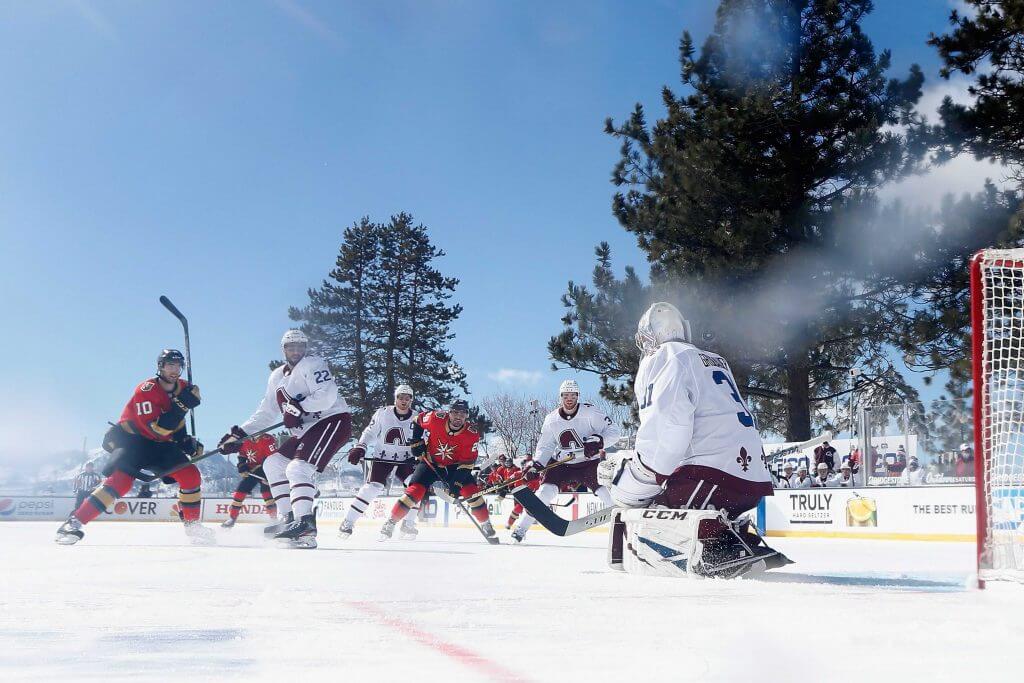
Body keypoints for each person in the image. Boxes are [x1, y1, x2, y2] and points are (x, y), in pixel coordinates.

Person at [607, 302, 788, 578]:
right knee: (690, 507)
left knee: (648, 522)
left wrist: (635, 481)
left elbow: (667, 429)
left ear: (651, 336)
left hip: (710, 476)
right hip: (751, 480)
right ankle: (732, 538)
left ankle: (714, 548)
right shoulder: (712, 360)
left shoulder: (666, 357)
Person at [55, 350, 213, 546]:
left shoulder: (184, 388)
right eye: (169, 365)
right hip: (135, 441)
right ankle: (73, 523)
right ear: (160, 367)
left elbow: (176, 424)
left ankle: (193, 527)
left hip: (162, 445)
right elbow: (157, 430)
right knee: (120, 483)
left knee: (191, 476)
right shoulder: (146, 390)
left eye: (178, 365)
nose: (174, 369)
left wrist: (186, 441)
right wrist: (182, 405)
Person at [218, 330, 352, 549]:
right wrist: (239, 435)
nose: (296, 350)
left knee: (297, 469)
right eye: (291, 347)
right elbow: (266, 413)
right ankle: (288, 518)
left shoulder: (313, 364)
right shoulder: (277, 377)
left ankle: (306, 526)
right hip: (306, 429)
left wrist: (300, 408)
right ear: (284, 350)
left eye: (300, 346)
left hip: (332, 420)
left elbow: (327, 396)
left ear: (306, 348)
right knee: (273, 463)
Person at [510, 379, 621, 543]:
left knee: (606, 494)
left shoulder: (590, 412)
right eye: (566, 395)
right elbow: (546, 446)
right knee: (543, 494)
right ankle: (520, 530)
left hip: (588, 463)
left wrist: (599, 441)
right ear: (560, 397)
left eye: (573, 395)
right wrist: (537, 464)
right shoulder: (551, 419)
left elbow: (614, 431)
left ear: (578, 396)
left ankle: (626, 529)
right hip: (561, 464)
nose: (569, 399)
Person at [379, 400, 496, 542]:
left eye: (462, 413)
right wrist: (416, 442)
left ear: (467, 416)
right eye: (455, 412)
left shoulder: (471, 434)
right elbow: (417, 421)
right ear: (449, 412)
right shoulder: (436, 418)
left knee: (471, 492)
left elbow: (467, 463)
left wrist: (456, 483)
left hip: (455, 466)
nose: (458, 417)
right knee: (414, 491)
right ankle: (390, 522)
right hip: (430, 462)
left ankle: (485, 523)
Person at [338, 385, 418, 540]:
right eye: (401, 397)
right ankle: (348, 522)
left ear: (411, 400)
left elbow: (425, 438)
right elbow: (370, 431)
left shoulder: (417, 417)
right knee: (372, 488)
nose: (404, 401)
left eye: (407, 398)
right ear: (395, 398)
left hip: (406, 459)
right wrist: (361, 446)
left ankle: (408, 523)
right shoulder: (383, 413)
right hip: (382, 457)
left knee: (415, 488)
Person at [222, 433, 279, 528]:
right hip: (252, 470)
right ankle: (232, 518)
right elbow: (242, 454)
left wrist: (271, 475)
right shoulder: (245, 439)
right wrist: (241, 465)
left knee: (267, 494)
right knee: (240, 491)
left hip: (266, 469)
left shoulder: (267, 439)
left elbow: (273, 458)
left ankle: (274, 519)